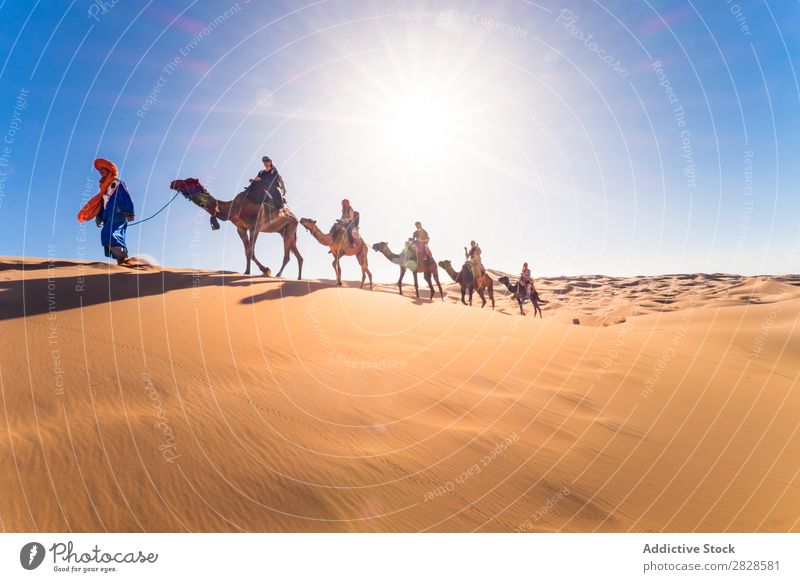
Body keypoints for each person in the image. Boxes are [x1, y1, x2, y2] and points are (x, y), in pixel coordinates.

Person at [77, 158, 135, 264]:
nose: (101, 171)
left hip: (119, 213)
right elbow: (104, 206)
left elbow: (126, 196)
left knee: (109, 233)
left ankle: (123, 258)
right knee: (106, 235)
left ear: (110, 170)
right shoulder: (104, 190)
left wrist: (130, 211)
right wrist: (99, 217)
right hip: (109, 216)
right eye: (99, 170)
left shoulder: (117, 183)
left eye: (103, 168)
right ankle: (122, 260)